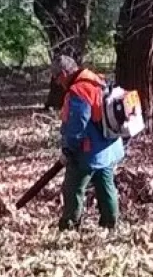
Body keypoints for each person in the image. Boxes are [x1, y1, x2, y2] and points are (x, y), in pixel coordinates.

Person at [51, 55, 125, 230]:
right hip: (108, 147)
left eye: (56, 78)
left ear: (63, 73)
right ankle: (110, 223)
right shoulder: (96, 79)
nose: (56, 82)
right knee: (106, 186)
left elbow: (77, 125)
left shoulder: (78, 90)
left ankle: (69, 224)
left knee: (73, 187)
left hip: (89, 152)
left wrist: (68, 149)